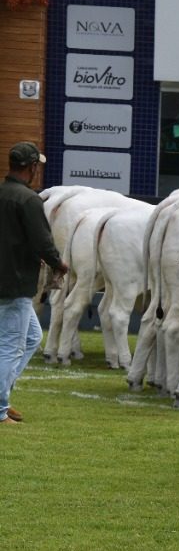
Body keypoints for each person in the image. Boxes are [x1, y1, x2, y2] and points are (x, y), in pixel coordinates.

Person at [1, 142, 68, 425]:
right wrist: (58, 263)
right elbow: (42, 241)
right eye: (36, 165)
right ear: (31, 167)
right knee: (9, 345)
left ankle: (2, 393)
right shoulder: (29, 200)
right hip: (15, 282)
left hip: (6, 279)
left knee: (31, 338)